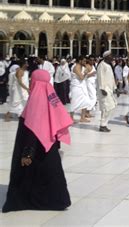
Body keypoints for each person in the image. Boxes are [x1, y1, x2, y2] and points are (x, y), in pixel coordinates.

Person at [2, 70, 73, 213]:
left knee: (29, 176)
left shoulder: (37, 98)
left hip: (34, 147)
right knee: (49, 174)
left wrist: (27, 153)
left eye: (31, 79)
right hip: (49, 147)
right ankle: (56, 200)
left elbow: (33, 128)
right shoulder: (51, 95)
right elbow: (57, 122)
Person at [96, 51, 117, 132]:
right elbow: (100, 78)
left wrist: (115, 88)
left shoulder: (108, 65)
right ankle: (102, 125)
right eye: (110, 56)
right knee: (107, 107)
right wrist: (102, 89)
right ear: (106, 57)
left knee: (110, 107)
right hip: (104, 90)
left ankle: (104, 124)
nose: (112, 57)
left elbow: (111, 78)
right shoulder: (101, 65)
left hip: (109, 90)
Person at [69, 56, 94, 123]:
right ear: (80, 61)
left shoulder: (82, 67)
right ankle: (70, 118)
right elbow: (81, 77)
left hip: (82, 86)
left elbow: (90, 69)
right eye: (84, 61)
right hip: (76, 87)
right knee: (74, 102)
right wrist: (86, 72)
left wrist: (87, 70)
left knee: (86, 101)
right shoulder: (76, 67)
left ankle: (82, 118)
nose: (85, 62)